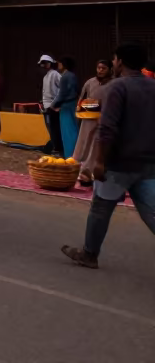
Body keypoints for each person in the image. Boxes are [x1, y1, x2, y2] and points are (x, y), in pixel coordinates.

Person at [61, 42, 155, 269]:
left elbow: (107, 128)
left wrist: (100, 161)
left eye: (113, 60)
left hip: (118, 163)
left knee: (100, 209)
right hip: (148, 163)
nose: (112, 63)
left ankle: (89, 254)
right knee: (151, 211)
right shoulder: (152, 86)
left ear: (120, 62)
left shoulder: (117, 87)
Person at [75, 59, 115, 186]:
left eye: (104, 68)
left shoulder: (114, 84)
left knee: (96, 146)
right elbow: (81, 99)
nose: (100, 70)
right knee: (83, 144)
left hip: (104, 121)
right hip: (87, 119)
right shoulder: (90, 82)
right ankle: (81, 172)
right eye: (99, 68)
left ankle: (92, 174)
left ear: (110, 70)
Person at [52, 56, 81, 162]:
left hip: (66, 105)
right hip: (73, 104)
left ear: (64, 65)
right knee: (74, 128)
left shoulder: (65, 76)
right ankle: (77, 154)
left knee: (67, 131)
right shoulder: (73, 76)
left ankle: (70, 155)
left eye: (60, 63)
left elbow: (62, 93)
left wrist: (54, 105)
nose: (58, 65)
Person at [39, 54, 64, 155]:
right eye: (43, 63)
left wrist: (56, 103)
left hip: (54, 106)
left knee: (55, 128)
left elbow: (62, 88)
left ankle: (58, 148)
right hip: (47, 106)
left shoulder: (55, 74)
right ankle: (55, 146)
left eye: (46, 63)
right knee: (51, 128)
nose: (44, 65)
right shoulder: (46, 76)